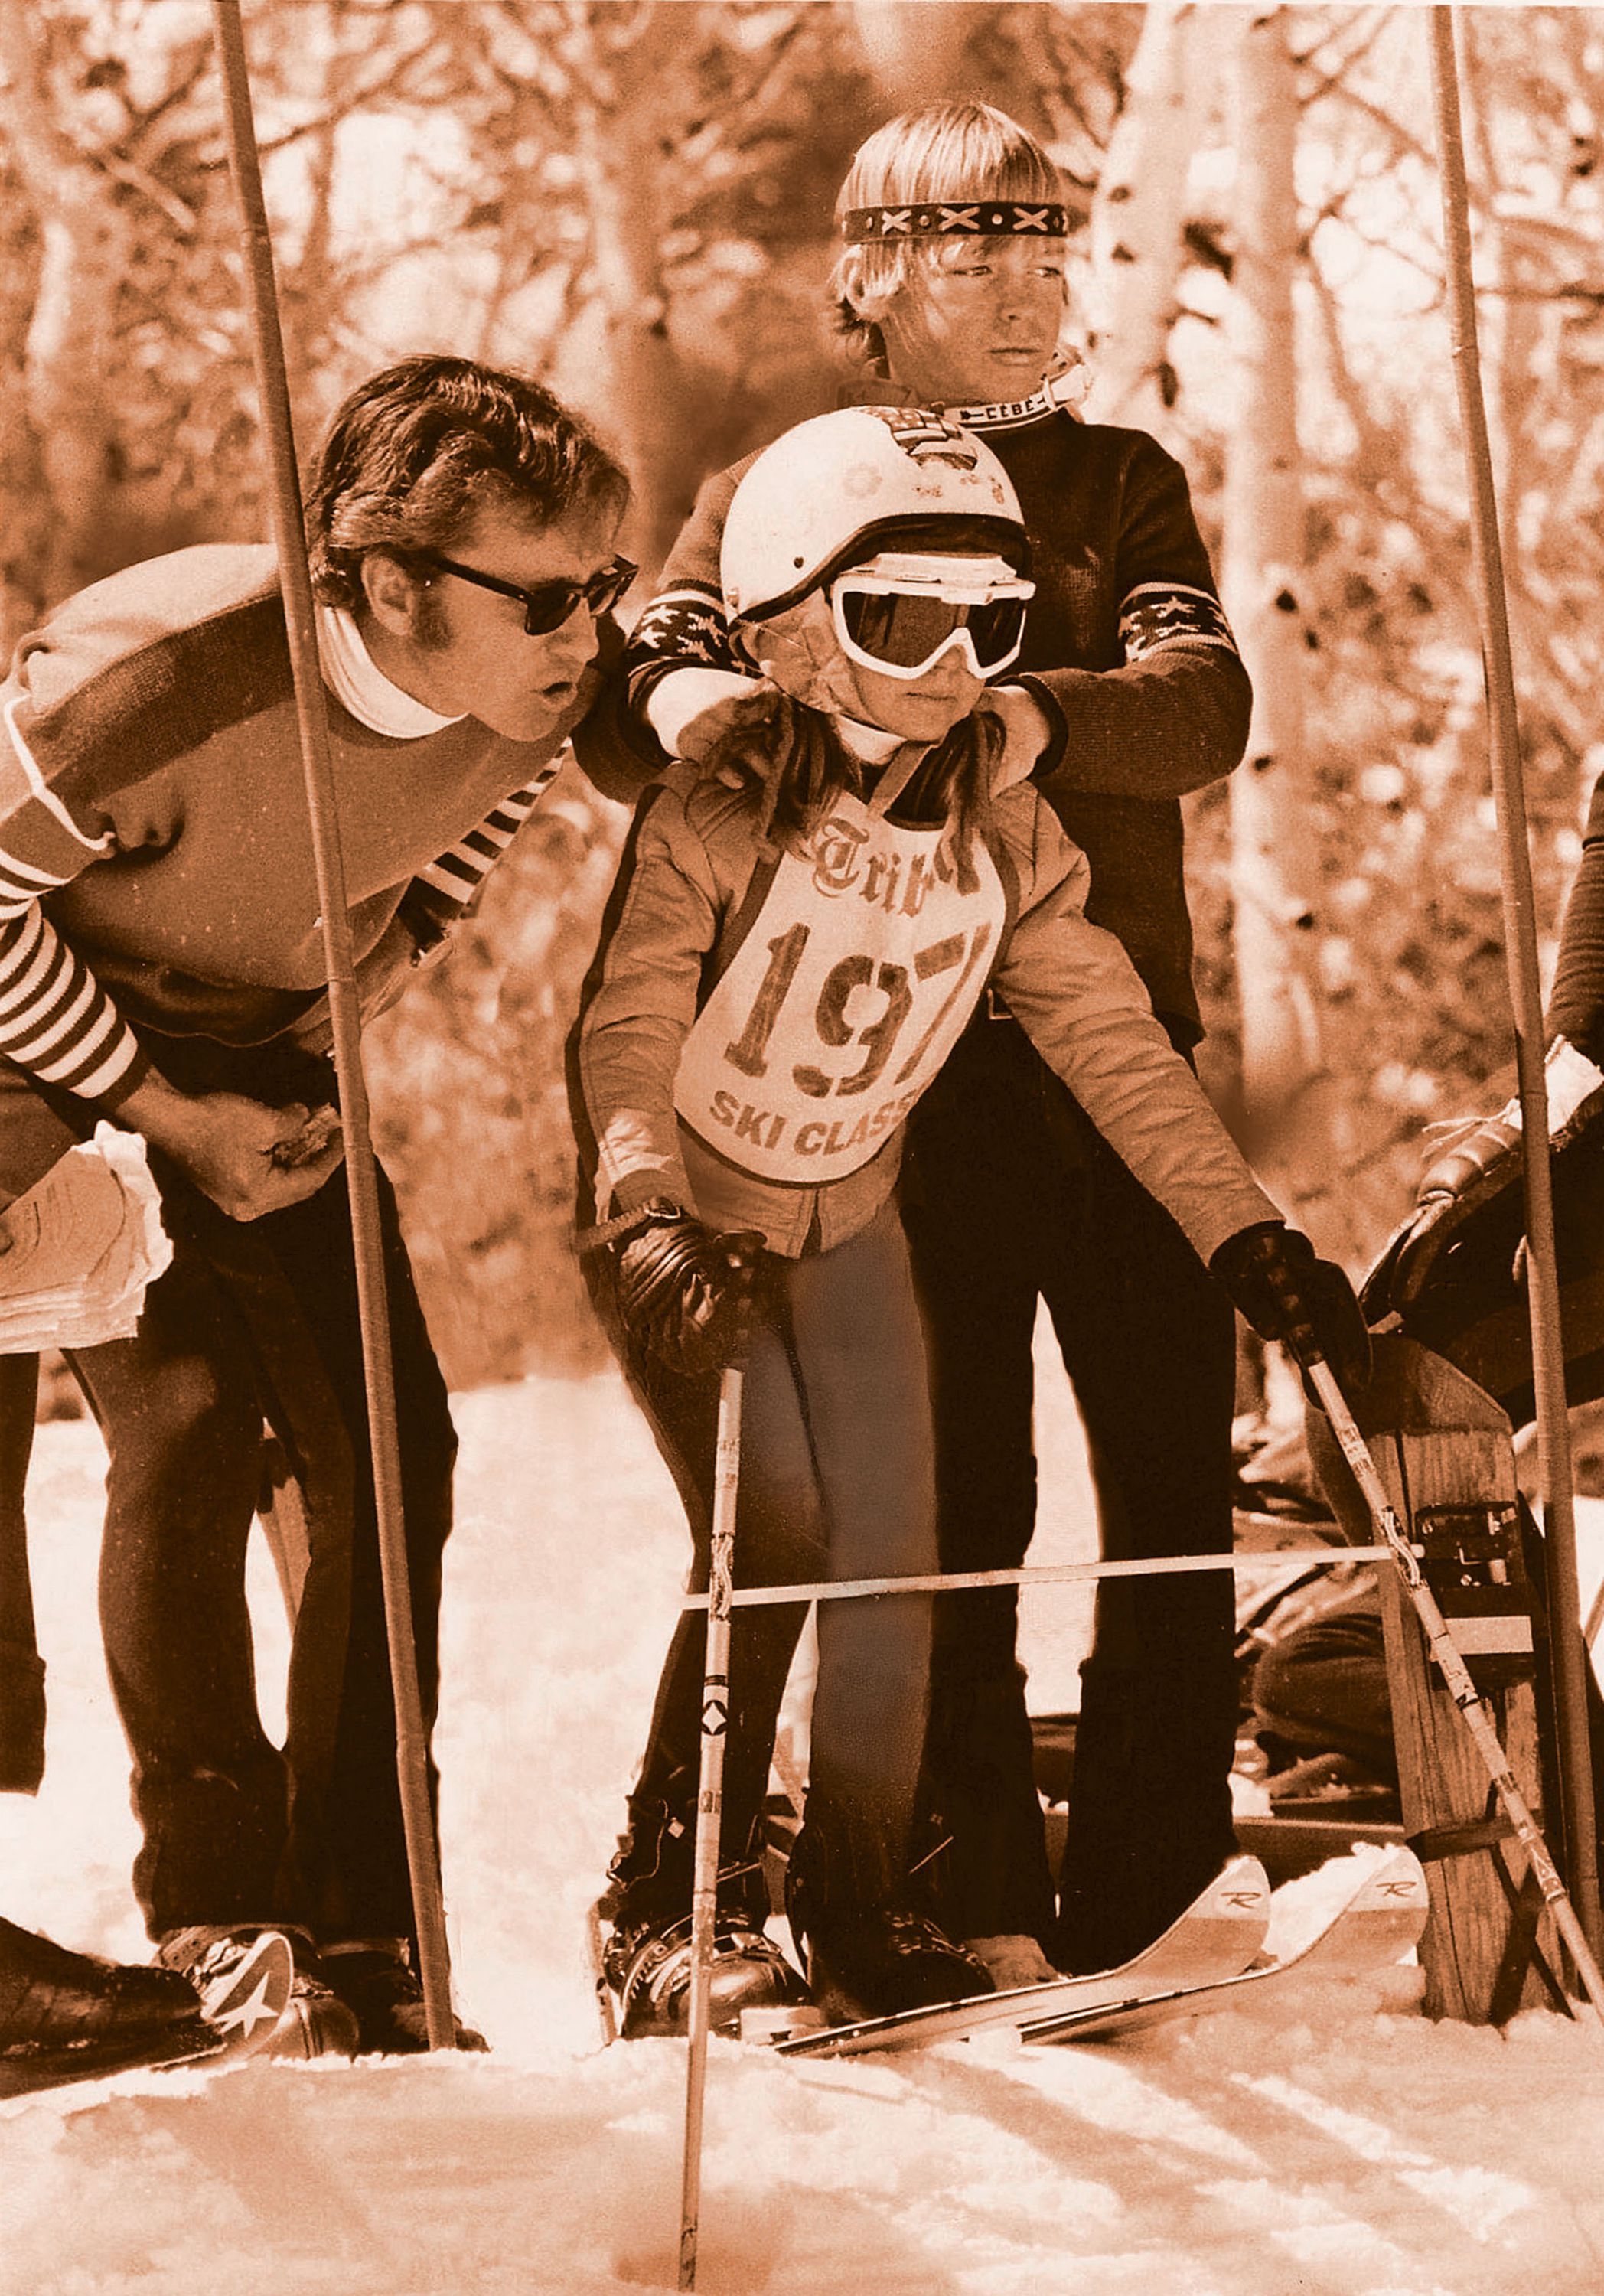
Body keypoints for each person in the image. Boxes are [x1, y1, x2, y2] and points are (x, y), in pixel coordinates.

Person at [572, 402, 1365, 2033]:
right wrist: (646, 1211)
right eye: (894, 619)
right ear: (791, 630)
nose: (948, 665)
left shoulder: (998, 821)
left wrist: (1239, 1232)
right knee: (777, 1539)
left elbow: (1110, 1039)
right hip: (692, 1237)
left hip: (848, 1220)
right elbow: (627, 1031)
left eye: (986, 627)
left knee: (902, 1558)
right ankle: (668, 1901)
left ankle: (862, 1897)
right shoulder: (721, 804)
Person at [619, 103, 1255, 1985]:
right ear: (870, 276)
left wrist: (1024, 726)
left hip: (1120, 1032)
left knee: (1171, 1463)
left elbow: (1198, 700)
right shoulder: (774, 480)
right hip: (897, 1072)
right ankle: (966, 1885)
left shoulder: (1123, 477)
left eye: (1051, 253)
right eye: (975, 254)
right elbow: (637, 673)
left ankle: (1155, 1867)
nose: (1027, 292)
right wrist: (710, 707)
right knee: (962, 1490)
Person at [0, 353, 638, 2055]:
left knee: (387, 1453)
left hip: (255, 1047)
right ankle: (219, 1912)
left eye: (607, 581)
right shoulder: (162, 686)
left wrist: (318, 1028)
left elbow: (437, 866)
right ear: (385, 582)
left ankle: (366, 1922)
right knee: (195, 1428)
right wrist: (157, 1110)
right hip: (33, 1041)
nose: (592, 629)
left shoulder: (539, 702)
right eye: (550, 592)